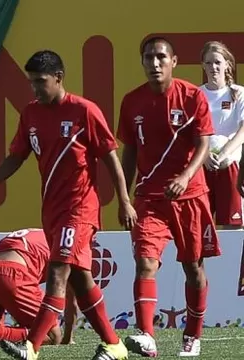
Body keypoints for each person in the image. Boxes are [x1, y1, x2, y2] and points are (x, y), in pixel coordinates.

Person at [0, 50, 134, 360]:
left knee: (58, 272)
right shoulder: (31, 114)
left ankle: (31, 347)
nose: (35, 88)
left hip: (80, 208)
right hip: (52, 210)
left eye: (41, 81)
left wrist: (125, 201)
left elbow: (111, 158)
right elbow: (17, 155)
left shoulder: (84, 111)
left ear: (59, 78)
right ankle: (114, 345)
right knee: (79, 278)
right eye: (31, 82)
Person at [118, 37, 221, 357]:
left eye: (161, 57)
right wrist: (123, 197)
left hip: (190, 196)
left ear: (174, 61)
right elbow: (129, 151)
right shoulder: (132, 101)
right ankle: (147, 335)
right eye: (148, 57)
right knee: (145, 262)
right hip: (149, 198)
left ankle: (192, 335)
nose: (154, 63)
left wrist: (186, 176)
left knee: (193, 268)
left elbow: (204, 143)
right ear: (142, 62)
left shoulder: (192, 97)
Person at [199, 41, 244, 229]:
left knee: (233, 225)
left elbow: (243, 131)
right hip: (203, 166)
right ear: (203, 65)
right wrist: (205, 155)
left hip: (231, 165)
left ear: (227, 64)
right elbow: (192, 133)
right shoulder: (196, 94)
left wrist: (224, 154)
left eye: (217, 62)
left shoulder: (238, 93)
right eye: (208, 63)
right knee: (201, 224)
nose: (213, 68)